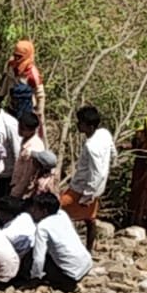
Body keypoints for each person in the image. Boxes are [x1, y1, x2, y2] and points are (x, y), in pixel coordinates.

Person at [61, 105, 114, 252]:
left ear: (89, 126)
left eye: (81, 123)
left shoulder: (91, 146)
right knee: (90, 219)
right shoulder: (104, 134)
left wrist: (87, 195)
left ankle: (67, 249)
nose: (78, 125)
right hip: (95, 189)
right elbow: (113, 151)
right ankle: (88, 251)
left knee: (58, 211)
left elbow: (97, 173)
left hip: (82, 189)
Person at [29, 192, 93, 292]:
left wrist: (34, 278)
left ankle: (64, 284)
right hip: (87, 264)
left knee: (30, 257)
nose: (32, 211)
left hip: (71, 276)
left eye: (35, 209)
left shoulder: (42, 227)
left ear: (44, 211)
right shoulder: (62, 215)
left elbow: (39, 259)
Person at [4, 40, 46, 137]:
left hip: (27, 110)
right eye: (15, 55)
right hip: (12, 107)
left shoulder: (32, 74)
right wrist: (1, 95)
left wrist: (38, 114)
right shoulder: (11, 66)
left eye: (20, 56)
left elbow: (40, 96)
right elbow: (7, 81)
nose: (17, 58)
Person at [9, 112, 45, 201]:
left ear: (32, 130)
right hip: (16, 183)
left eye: (23, 129)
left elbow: (27, 176)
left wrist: (15, 193)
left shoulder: (33, 148)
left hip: (23, 191)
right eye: (19, 127)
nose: (19, 130)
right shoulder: (25, 140)